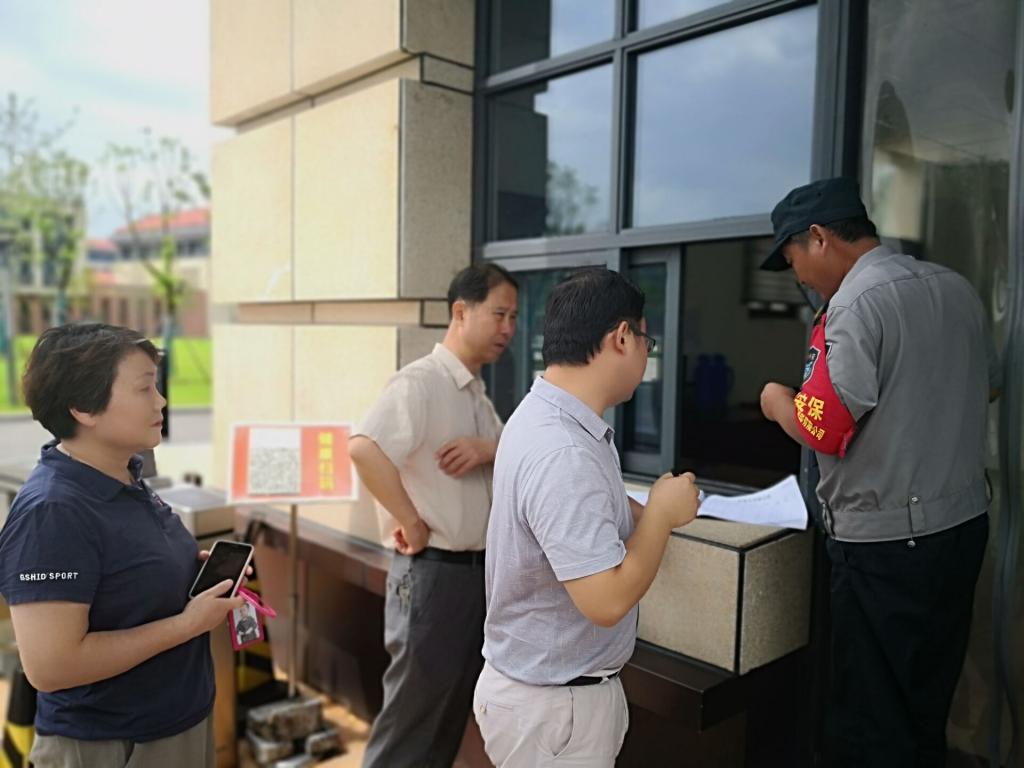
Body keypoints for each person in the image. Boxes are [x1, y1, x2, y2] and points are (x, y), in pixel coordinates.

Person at [758, 177, 996, 767]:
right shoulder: (957, 288)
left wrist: (777, 402)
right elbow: (987, 387)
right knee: (926, 702)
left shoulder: (856, 304)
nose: (798, 278)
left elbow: (822, 425)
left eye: (794, 260)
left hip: (885, 548)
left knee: (870, 717)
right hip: (960, 529)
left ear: (819, 238)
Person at [474, 268, 700, 767]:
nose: (646, 353)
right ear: (621, 337)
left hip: (546, 699)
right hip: (555, 711)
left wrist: (650, 508)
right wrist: (661, 515)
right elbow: (606, 599)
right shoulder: (565, 449)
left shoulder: (543, 415)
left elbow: (581, 511)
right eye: (646, 341)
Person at [0, 323, 244, 768]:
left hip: (178, 721)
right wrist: (187, 625)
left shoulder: (124, 474)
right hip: (114, 745)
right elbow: (52, 667)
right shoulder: (52, 511)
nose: (161, 401)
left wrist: (185, 572)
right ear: (83, 408)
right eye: (144, 388)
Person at [349, 263, 518, 768]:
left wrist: (487, 448)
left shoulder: (475, 392)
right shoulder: (421, 382)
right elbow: (364, 448)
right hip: (433, 574)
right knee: (411, 725)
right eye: (499, 314)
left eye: (513, 317)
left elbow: (517, 453)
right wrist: (412, 522)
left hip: (471, 578)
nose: (509, 328)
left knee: (443, 724)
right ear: (460, 312)